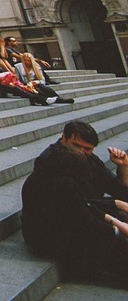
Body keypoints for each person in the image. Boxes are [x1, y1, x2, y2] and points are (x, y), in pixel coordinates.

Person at [22, 121, 128, 288]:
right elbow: (76, 209)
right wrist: (115, 223)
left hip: (79, 216)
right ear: (63, 139)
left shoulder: (88, 160)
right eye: (78, 146)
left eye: (88, 149)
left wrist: (123, 167)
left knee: (120, 218)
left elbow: (118, 191)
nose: (83, 152)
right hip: (54, 230)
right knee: (116, 236)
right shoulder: (51, 162)